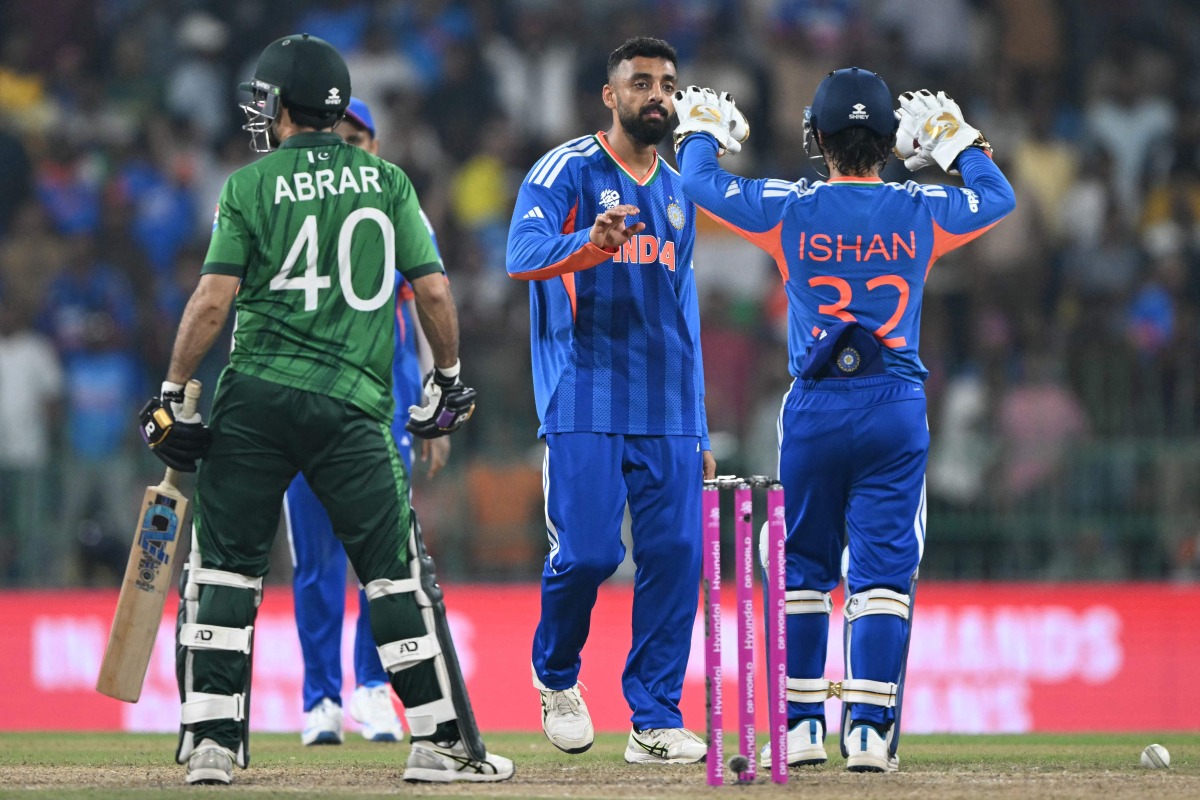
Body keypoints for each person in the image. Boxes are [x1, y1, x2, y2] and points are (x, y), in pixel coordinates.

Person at [140, 33, 511, 785]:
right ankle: (439, 744)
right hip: (353, 405)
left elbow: (214, 299)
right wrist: (447, 379)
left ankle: (212, 745)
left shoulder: (247, 186)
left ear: (281, 104)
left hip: (256, 399)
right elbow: (434, 292)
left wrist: (175, 390)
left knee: (225, 571)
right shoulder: (389, 182)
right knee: (393, 574)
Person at [673, 73, 1015, 771]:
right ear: (892, 143)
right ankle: (866, 731)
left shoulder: (788, 208)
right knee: (884, 572)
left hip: (815, 407)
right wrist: (960, 145)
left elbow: (698, 183)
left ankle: (799, 728)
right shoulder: (920, 210)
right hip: (894, 405)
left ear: (817, 139)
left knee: (801, 568)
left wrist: (701, 132)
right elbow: (997, 198)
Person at [505, 36, 716, 764]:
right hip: (584, 391)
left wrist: (701, 419)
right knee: (591, 554)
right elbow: (520, 256)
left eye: (667, 84)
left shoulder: (683, 185)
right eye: (641, 83)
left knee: (677, 556)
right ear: (611, 95)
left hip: (668, 405)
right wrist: (589, 243)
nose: (657, 95)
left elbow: (683, 302)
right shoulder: (567, 169)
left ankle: (654, 717)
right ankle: (556, 674)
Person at [287, 96, 451, 747]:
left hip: (383, 406)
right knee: (316, 563)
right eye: (341, 136)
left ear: (376, 148)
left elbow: (430, 304)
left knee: (381, 559)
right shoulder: (292, 211)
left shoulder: (395, 206)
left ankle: (372, 689)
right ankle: (320, 699)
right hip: (303, 405)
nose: (352, 147)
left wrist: (432, 403)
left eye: (363, 139)